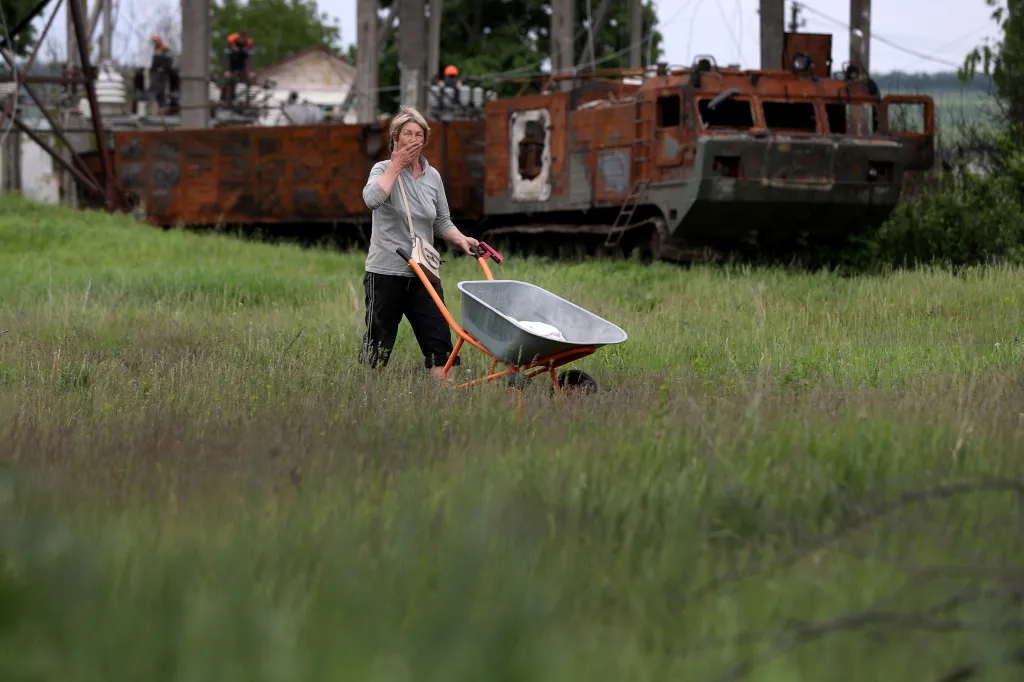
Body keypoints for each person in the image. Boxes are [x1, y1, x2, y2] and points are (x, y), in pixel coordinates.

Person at [359, 105, 479, 380]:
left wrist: (461, 239)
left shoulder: (432, 176)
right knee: (379, 343)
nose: (413, 139)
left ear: (425, 140)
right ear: (395, 139)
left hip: (423, 272)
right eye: (407, 134)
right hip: (386, 271)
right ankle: (369, 396)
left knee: (439, 338)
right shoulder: (381, 169)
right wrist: (396, 166)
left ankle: (444, 402)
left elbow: (441, 221)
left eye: (418, 135)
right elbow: (371, 200)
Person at [221, 31, 255, 106]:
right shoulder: (231, 42)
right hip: (232, 65)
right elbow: (226, 57)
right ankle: (226, 101)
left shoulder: (249, 44)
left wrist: (251, 71)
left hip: (242, 65)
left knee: (248, 81)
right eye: (242, 39)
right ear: (239, 37)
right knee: (230, 81)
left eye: (245, 39)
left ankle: (247, 102)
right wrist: (227, 70)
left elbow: (251, 58)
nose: (243, 41)